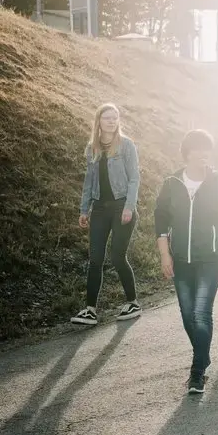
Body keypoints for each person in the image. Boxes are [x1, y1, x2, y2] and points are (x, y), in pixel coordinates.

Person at [154, 129, 218, 395]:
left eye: (208, 149)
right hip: (181, 257)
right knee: (187, 314)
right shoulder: (172, 183)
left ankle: (197, 372)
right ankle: (203, 355)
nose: (204, 154)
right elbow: (160, 220)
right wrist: (164, 254)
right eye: (198, 149)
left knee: (201, 312)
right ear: (187, 153)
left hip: (212, 257)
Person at [73, 104, 142, 326]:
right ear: (99, 121)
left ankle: (133, 302)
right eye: (107, 117)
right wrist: (84, 209)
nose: (112, 121)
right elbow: (89, 182)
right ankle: (90, 310)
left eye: (115, 118)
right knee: (95, 259)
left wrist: (129, 207)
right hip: (100, 209)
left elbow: (134, 178)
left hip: (122, 206)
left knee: (117, 256)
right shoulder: (92, 148)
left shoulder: (126, 145)